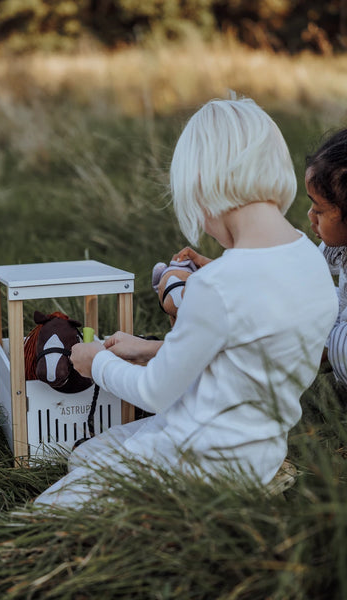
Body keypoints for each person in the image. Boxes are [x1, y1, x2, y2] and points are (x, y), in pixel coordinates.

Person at [35, 97, 338, 508]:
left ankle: (156, 520)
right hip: (257, 452)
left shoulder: (215, 283)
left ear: (203, 184)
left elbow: (156, 391)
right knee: (87, 455)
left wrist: (97, 363)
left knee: (46, 511)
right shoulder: (310, 259)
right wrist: (145, 348)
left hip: (196, 461)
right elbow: (248, 349)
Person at [306, 128, 347, 384]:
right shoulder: (340, 245)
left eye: (319, 210)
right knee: (309, 296)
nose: (310, 216)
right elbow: (302, 269)